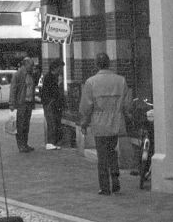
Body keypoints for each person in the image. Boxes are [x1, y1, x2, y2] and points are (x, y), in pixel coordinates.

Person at [79, 52, 132, 195]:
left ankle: (105, 186)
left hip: (99, 123)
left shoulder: (91, 82)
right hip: (115, 121)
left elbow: (86, 106)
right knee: (112, 152)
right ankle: (115, 181)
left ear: (97, 64)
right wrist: (127, 116)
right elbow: (127, 105)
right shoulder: (120, 81)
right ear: (109, 63)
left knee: (102, 156)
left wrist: (84, 122)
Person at [10, 56, 37, 152]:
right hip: (21, 103)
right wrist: (12, 103)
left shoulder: (31, 74)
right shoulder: (18, 75)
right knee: (20, 125)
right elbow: (13, 89)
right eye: (31, 65)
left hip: (29, 102)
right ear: (25, 65)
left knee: (26, 124)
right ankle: (21, 145)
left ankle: (25, 143)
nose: (32, 67)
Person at [40, 60, 66, 150]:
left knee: (55, 122)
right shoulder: (49, 77)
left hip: (55, 103)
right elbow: (50, 91)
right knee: (51, 123)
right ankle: (50, 142)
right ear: (56, 67)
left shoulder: (55, 77)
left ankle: (54, 142)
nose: (62, 70)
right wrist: (49, 101)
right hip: (50, 103)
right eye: (61, 68)